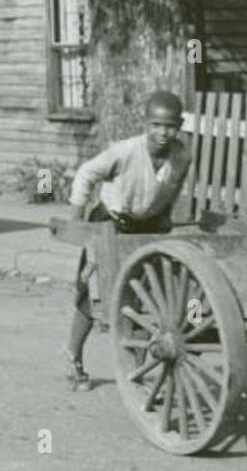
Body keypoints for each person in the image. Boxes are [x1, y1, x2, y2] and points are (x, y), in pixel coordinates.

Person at [61, 90, 191, 390]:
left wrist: (166, 214)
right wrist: (76, 219)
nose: (163, 133)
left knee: (147, 300)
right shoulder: (125, 152)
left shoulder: (182, 155)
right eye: (156, 125)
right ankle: (73, 357)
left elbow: (173, 186)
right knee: (92, 298)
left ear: (180, 125)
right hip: (110, 225)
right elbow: (85, 174)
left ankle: (141, 366)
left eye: (170, 126)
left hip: (148, 228)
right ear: (145, 124)